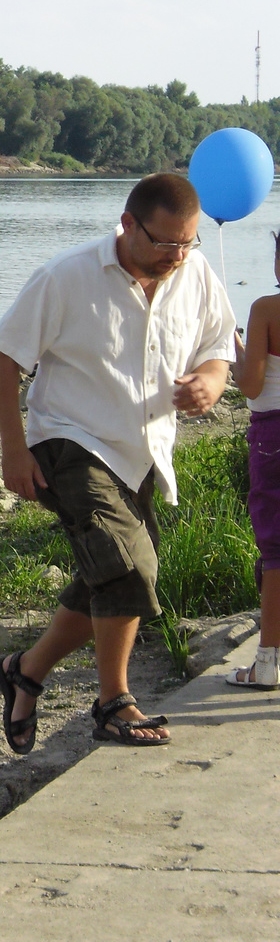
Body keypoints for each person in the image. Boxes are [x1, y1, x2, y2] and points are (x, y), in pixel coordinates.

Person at [0, 173, 235, 752]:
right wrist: (12, 449)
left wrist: (212, 383)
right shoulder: (66, 276)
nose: (175, 256)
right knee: (129, 569)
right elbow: (4, 357)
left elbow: (220, 346)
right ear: (127, 224)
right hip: (69, 443)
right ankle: (113, 702)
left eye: (186, 243)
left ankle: (24, 670)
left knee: (108, 573)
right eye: (163, 243)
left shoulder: (193, 272)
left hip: (141, 451)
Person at [229, 233, 280, 689]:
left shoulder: (267, 308)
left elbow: (250, 384)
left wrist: (237, 349)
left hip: (274, 435)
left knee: (276, 553)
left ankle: (266, 664)